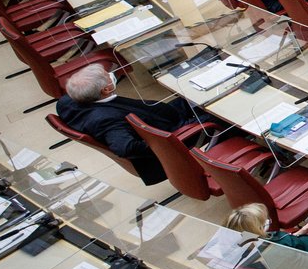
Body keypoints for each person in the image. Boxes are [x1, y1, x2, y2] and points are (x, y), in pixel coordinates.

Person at [54, 63, 202, 185]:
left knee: (194, 93)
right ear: (106, 89)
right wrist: (167, 141)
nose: (111, 75)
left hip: (158, 117)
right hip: (175, 133)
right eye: (108, 76)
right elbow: (125, 147)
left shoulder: (67, 102)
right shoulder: (106, 120)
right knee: (217, 116)